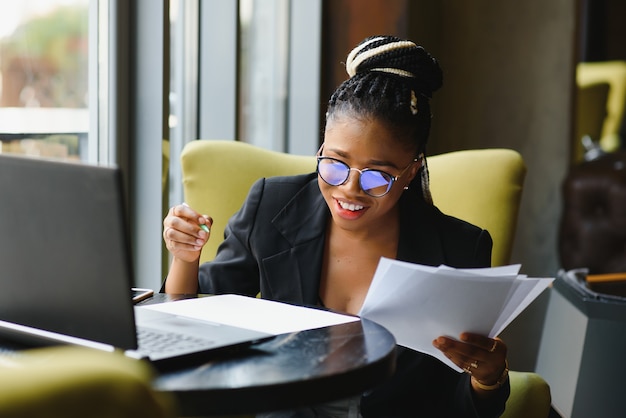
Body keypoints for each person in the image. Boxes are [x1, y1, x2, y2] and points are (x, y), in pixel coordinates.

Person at [162, 35, 510, 417]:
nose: (350, 189)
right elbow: (190, 325)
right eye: (335, 163)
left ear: (411, 171)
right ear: (321, 147)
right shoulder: (272, 206)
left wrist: (488, 379)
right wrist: (185, 258)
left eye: (379, 176)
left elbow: (458, 405)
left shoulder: (460, 248)